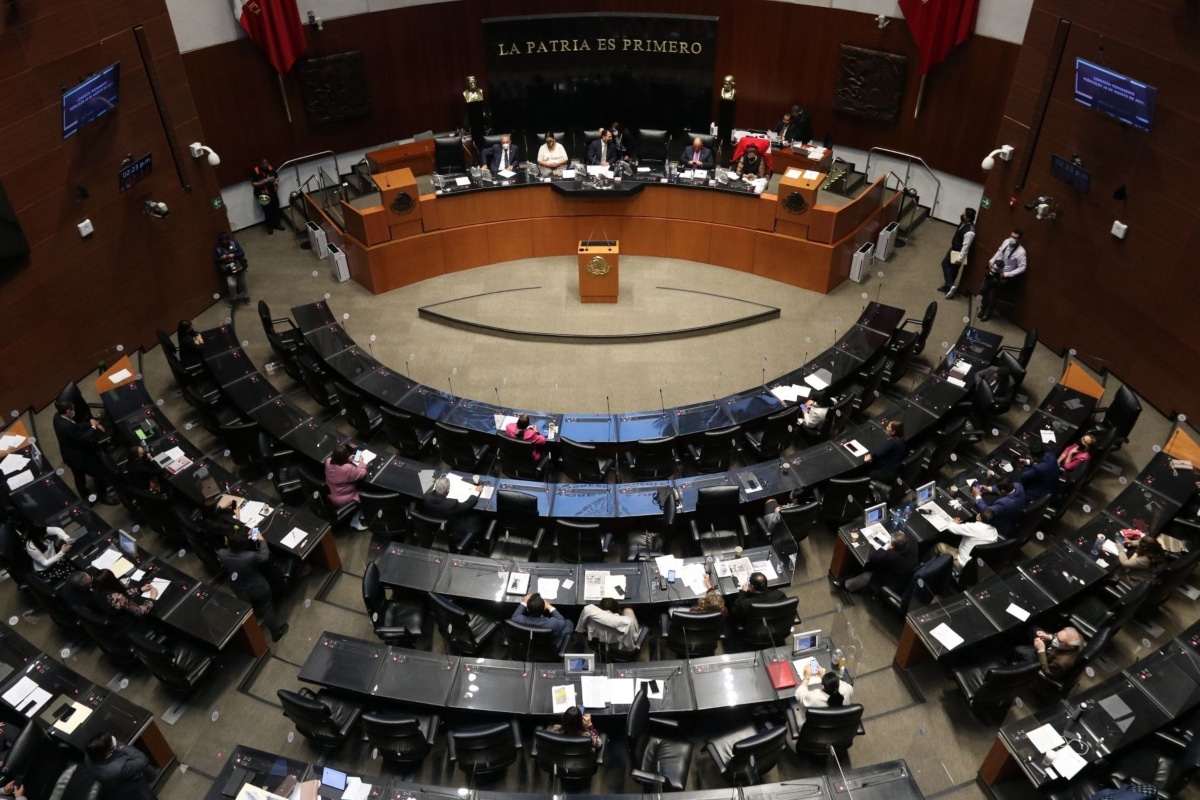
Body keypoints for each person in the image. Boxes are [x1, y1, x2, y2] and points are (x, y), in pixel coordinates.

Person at [217, 528, 289, 642]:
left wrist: (241, 537)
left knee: (250, 609)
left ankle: (254, 633)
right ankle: (276, 634)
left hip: (239, 589)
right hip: (258, 589)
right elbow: (265, 556)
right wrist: (261, 540)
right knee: (267, 610)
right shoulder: (250, 556)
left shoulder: (221, 553)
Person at [53, 399, 113, 504]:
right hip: (79, 456)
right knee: (98, 473)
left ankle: (85, 496)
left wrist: (90, 424)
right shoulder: (67, 427)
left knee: (79, 476)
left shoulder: (57, 417)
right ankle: (103, 497)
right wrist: (94, 427)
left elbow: (76, 427)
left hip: (69, 454)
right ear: (68, 411)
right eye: (72, 409)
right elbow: (83, 438)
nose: (73, 411)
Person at [84, 730, 157, 800]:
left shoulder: (88, 756)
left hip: (113, 789)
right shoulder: (119, 768)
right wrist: (123, 747)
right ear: (107, 752)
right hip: (134, 791)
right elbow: (143, 760)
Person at [841, 530, 918, 594]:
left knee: (868, 574)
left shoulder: (891, 555)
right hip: (907, 574)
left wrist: (887, 549)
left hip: (892, 578)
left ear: (893, 546)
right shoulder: (912, 540)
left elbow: (872, 557)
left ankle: (847, 585)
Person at [978, 228, 1026, 321]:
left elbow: (1022, 268)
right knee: (983, 290)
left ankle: (988, 312)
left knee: (994, 296)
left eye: (1015, 238)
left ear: (1019, 239)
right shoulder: (1006, 241)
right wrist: (992, 260)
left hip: (1003, 276)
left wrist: (1007, 274)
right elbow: (999, 251)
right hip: (995, 270)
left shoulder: (1021, 252)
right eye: (1011, 236)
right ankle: (983, 307)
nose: (1012, 239)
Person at [933, 509, 999, 567]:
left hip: (962, 562)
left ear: (979, 517)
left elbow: (951, 528)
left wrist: (954, 523)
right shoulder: (994, 531)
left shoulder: (974, 527)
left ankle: (931, 567)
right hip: (976, 564)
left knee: (939, 545)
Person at [324, 445, 368, 531]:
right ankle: (355, 520)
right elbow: (362, 474)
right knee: (364, 492)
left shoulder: (328, 462)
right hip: (344, 499)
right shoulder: (347, 468)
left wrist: (347, 460)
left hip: (330, 495)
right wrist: (362, 463)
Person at [575, 596, 641, 652]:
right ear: (617, 609)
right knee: (628, 609)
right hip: (619, 646)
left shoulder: (589, 612)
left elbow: (583, 628)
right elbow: (634, 636)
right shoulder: (626, 623)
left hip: (597, 641)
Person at [1015, 627, 1085, 678]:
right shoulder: (1078, 637)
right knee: (1035, 629)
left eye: (1059, 641)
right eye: (1056, 635)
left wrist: (1041, 650)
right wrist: (1048, 637)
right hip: (1054, 649)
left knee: (1020, 650)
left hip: (1046, 660)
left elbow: (1047, 671)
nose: (1055, 639)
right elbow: (1060, 637)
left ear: (1069, 647)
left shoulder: (1061, 663)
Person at [938, 208, 977, 297]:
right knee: (946, 265)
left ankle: (949, 287)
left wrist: (960, 258)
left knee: (952, 269)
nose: (962, 215)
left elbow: (966, 247)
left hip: (959, 252)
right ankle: (948, 286)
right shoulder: (963, 222)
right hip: (954, 247)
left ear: (969, 218)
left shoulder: (970, 232)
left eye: (964, 214)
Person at [93, 569, 158, 618]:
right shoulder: (119, 598)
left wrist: (139, 590)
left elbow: (124, 594)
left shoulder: (101, 593)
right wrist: (152, 598)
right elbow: (141, 612)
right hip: (131, 622)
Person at [863, 420, 907, 485]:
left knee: (866, 471)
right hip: (896, 470)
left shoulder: (891, 443)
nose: (886, 428)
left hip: (888, 474)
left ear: (893, 432)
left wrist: (870, 458)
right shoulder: (902, 440)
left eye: (888, 427)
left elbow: (878, 454)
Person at [214, 232, 249, 307]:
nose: (224, 242)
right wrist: (221, 258)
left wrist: (234, 255)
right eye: (222, 241)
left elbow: (242, 253)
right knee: (231, 284)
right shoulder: (218, 249)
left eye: (226, 240)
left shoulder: (234, 243)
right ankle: (234, 298)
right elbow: (216, 260)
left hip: (238, 265)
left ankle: (246, 296)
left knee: (243, 282)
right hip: (228, 269)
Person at [251, 158, 284, 234]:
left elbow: (276, 178)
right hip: (262, 194)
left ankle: (277, 224)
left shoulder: (271, 169)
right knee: (267, 211)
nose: (266, 165)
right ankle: (270, 227)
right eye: (264, 164)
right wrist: (263, 182)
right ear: (260, 165)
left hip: (272, 192)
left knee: (276, 208)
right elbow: (253, 184)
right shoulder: (256, 171)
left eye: (267, 163)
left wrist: (276, 182)